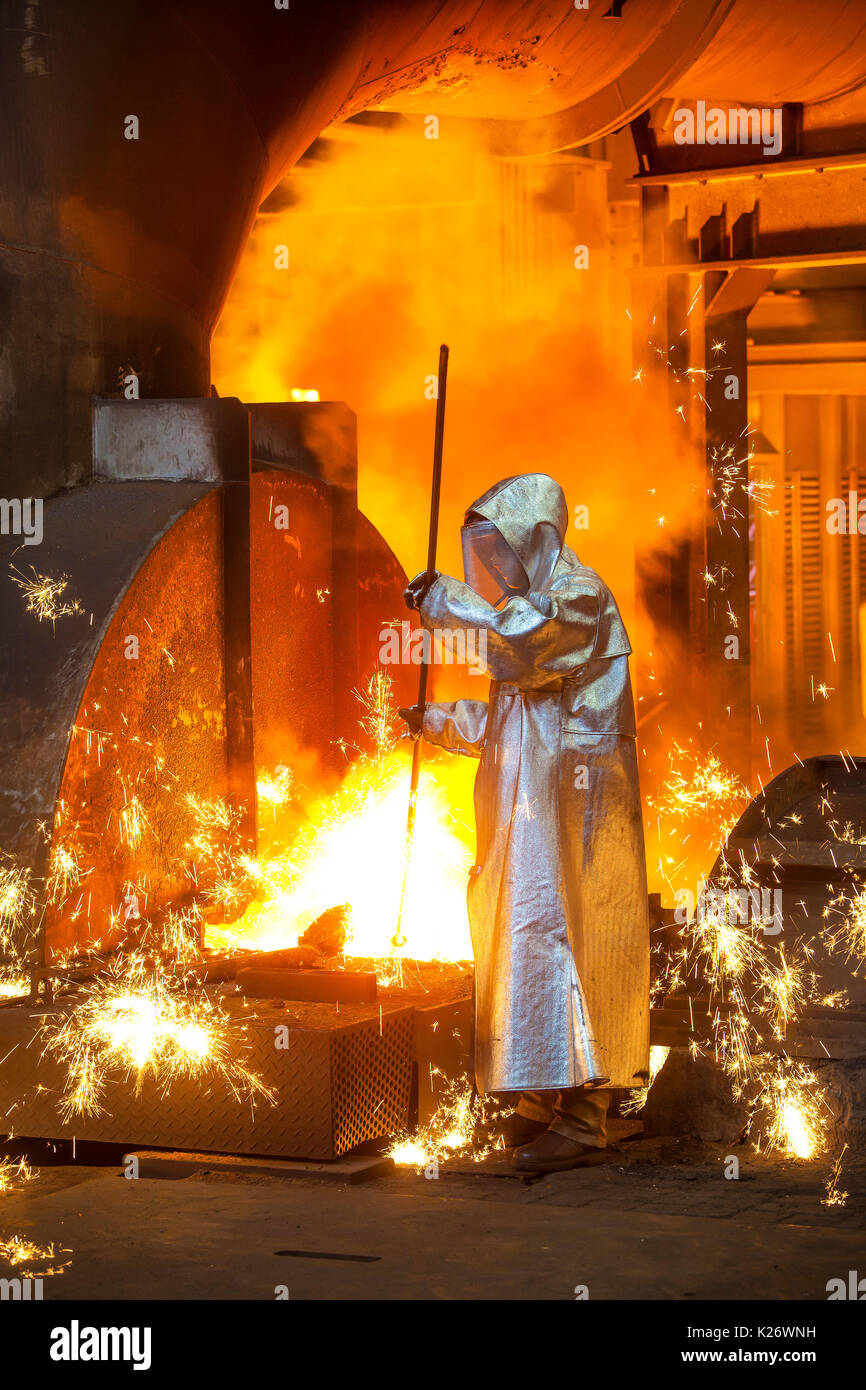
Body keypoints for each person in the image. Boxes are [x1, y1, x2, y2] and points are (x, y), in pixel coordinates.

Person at [401, 473, 649, 1173]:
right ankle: (543, 1094)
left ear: (534, 542)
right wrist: (441, 721)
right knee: (532, 942)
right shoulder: (526, 622)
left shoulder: (575, 599)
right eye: (486, 560)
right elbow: (516, 717)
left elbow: (521, 640)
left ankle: (589, 1111)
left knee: (581, 938)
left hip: (578, 811)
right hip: (530, 818)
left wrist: (442, 600)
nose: (495, 574)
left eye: (501, 557)